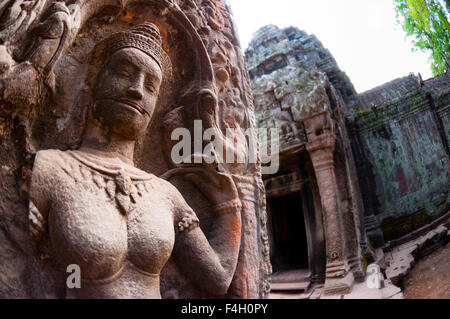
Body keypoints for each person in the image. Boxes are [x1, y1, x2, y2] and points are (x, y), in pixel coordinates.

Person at [28, 22, 242, 299]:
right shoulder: (49, 168)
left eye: (151, 86)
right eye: (124, 73)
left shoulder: (166, 194)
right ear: (93, 81)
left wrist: (229, 206)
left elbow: (218, 279)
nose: (137, 90)